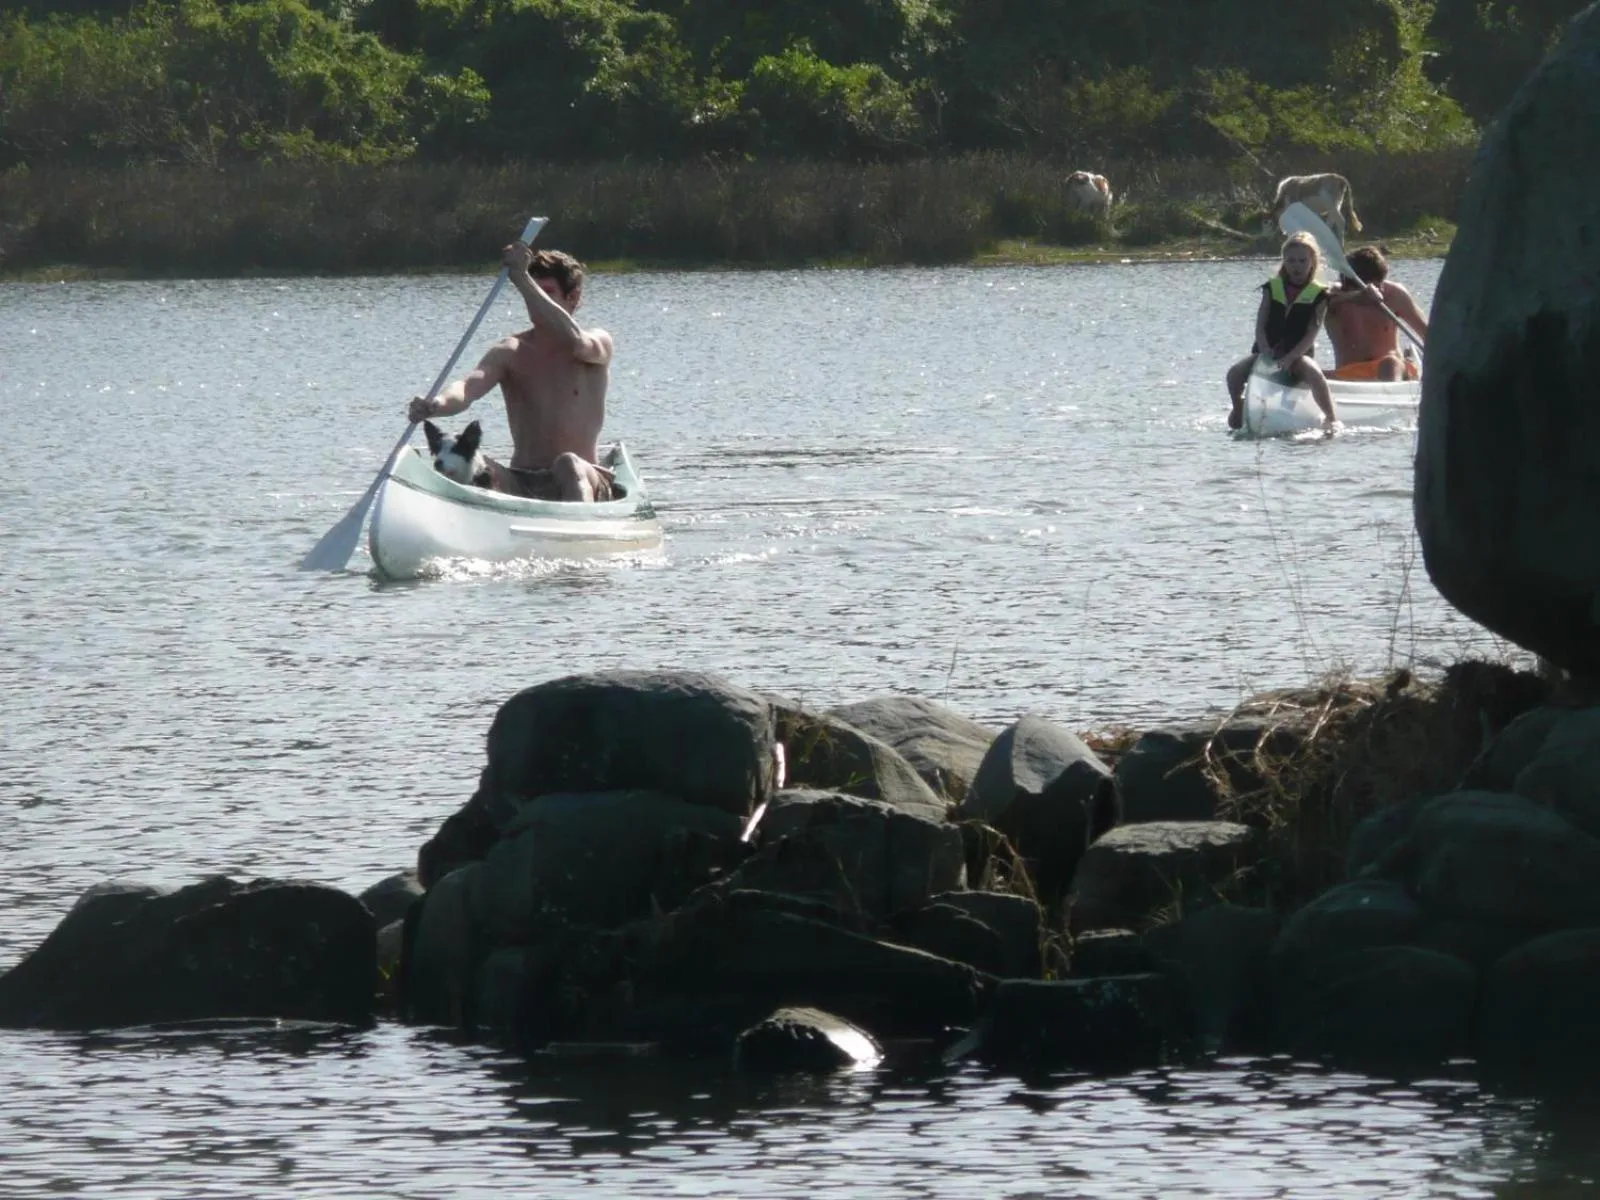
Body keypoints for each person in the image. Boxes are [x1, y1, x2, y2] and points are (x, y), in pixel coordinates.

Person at [406, 241, 615, 501]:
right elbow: (467, 388)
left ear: (573, 298)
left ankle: (581, 532)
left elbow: (574, 341)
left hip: (585, 479)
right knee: (476, 464)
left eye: (546, 292)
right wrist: (435, 405)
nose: (535, 300)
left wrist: (522, 279)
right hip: (523, 481)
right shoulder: (510, 351)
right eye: (533, 292)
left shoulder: (596, 342)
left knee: (568, 464)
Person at [1226, 231, 1335, 430]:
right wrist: (1265, 350)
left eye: (1302, 261)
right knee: (1234, 374)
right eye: (1291, 261)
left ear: (1313, 262)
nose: (1297, 266)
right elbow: (1260, 323)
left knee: (1315, 375)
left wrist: (1292, 357)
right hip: (1267, 352)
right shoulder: (1272, 287)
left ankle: (1331, 418)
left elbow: (1312, 332)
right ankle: (1238, 407)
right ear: (1284, 261)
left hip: (1298, 354)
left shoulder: (1320, 294)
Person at [1324, 245, 1428, 381]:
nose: (1377, 290)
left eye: (1379, 283)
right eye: (1369, 286)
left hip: (1393, 371)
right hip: (1349, 374)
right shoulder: (1334, 296)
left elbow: (1427, 335)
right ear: (1349, 284)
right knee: (1306, 370)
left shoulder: (1395, 294)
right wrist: (1358, 296)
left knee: (1389, 363)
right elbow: (1321, 300)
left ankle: (1391, 395)